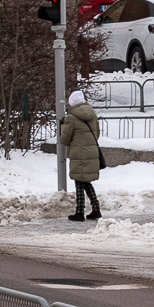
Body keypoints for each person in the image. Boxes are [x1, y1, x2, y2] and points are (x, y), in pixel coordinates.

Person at [59, 89, 102, 221]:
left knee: (79, 182)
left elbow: (64, 140)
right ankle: (96, 209)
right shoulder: (92, 114)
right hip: (92, 151)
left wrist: (63, 127)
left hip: (79, 153)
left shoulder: (71, 117)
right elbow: (97, 133)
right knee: (85, 182)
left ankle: (79, 212)